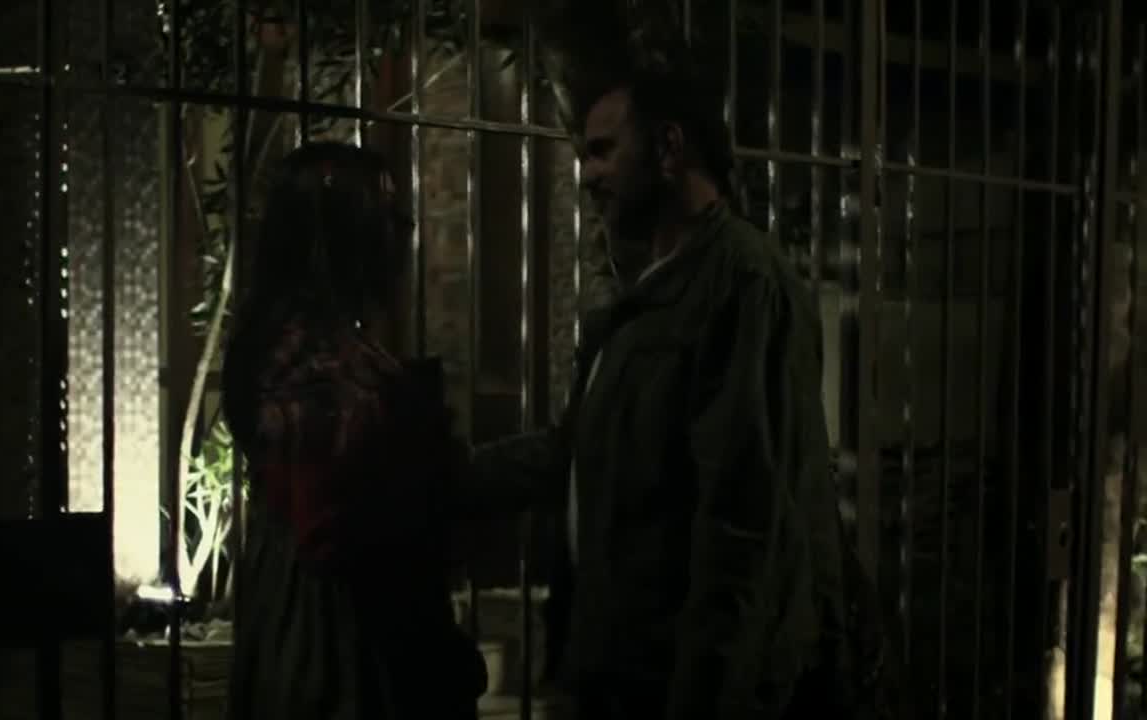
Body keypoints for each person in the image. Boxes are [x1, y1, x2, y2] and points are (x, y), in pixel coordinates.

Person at [468, 62, 902, 719]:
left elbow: (744, 523)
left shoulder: (741, 284)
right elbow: (574, 450)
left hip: (676, 684)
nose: (587, 175)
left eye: (603, 151)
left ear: (669, 149)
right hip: (623, 674)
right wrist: (442, 475)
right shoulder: (649, 296)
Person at [223, 141, 486, 720]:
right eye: (384, 213)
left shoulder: (308, 348)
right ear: (338, 233)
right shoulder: (309, 361)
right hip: (339, 634)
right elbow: (339, 519)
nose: (404, 231)